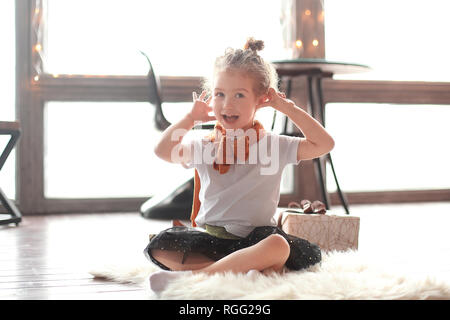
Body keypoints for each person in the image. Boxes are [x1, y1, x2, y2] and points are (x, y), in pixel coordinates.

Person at [145, 38, 335, 293]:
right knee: (161, 244)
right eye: (220, 94)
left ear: (260, 100)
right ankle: (247, 269)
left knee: (280, 246)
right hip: (212, 239)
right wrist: (190, 118)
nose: (227, 104)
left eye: (239, 95)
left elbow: (324, 144)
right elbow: (162, 151)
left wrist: (286, 108)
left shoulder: (273, 145)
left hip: (258, 239)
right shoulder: (205, 146)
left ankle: (196, 277)